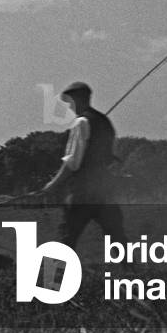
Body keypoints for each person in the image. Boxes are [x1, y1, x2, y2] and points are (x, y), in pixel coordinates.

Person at [42, 81, 126, 249]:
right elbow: (109, 158)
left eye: (70, 101)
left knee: (68, 237)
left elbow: (72, 162)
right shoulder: (105, 123)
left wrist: (53, 184)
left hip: (83, 192)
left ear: (78, 99)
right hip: (104, 191)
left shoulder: (81, 123)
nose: (69, 107)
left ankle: (61, 273)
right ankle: (131, 272)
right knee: (117, 237)